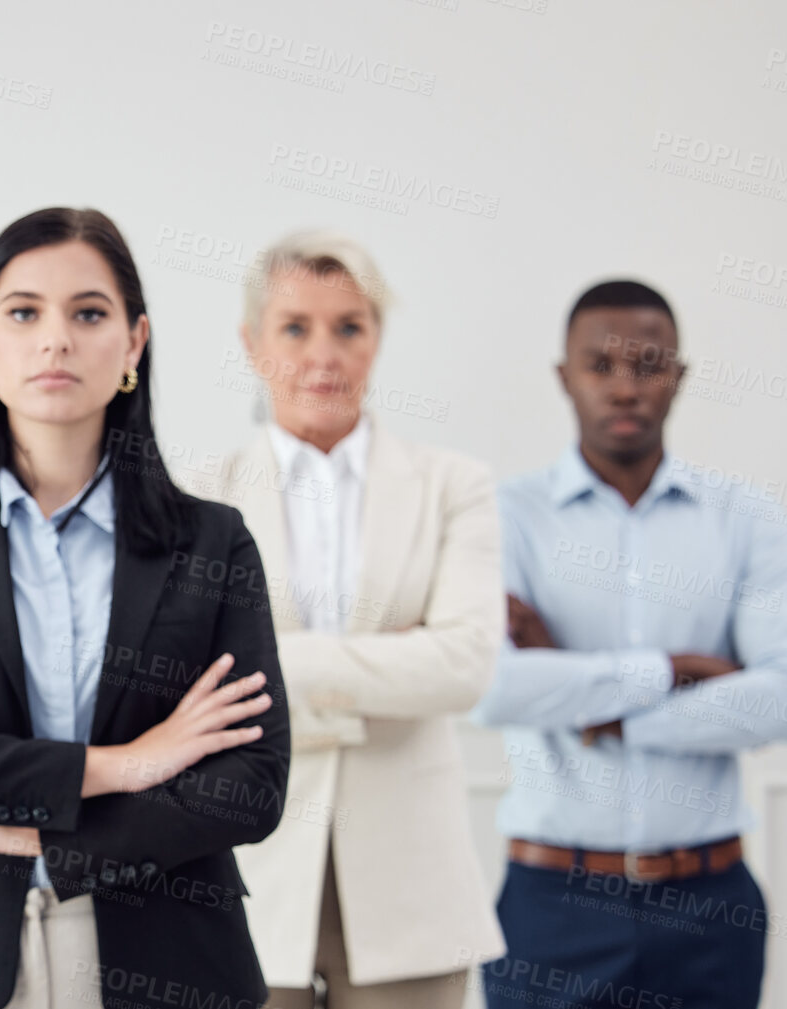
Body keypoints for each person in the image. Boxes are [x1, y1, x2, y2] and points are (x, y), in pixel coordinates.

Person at [0, 207, 291, 1009]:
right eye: (24, 312)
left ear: (134, 342)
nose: (56, 339)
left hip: (171, 957)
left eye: (89, 313)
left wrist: (63, 839)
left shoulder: (213, 542)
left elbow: (252, 783)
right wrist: (127, 764)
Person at [473, 280, 787, 1009]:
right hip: (553, 907)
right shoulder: (504, 516)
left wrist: (608, 714)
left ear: (680, 375)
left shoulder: (745, 518)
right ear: (564, 376)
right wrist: (675, 671)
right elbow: (490, 685)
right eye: (600, 365)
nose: (625, 387)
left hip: (710, 907)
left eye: (649, 364)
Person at [204, 231, 504, 1008]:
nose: (324, 354)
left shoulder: (453, 485)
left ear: (377, 337)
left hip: (415, 890)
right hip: (247, 876)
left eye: (351, 325)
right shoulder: (196, 494)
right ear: (251, 342)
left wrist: (271, 661)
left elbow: (467, 664)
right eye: (295, 327)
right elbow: (181, 681)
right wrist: (387, 660)